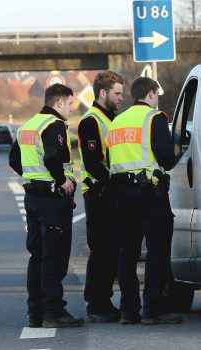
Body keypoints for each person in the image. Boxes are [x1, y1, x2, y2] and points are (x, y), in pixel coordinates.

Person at [9, 83, 84, 328]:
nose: (72, 109)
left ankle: (36, 313)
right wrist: (62, 180)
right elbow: (53, 157)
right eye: (70, 104)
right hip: (52, 200)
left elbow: (13, 159)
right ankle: (54, 312)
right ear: (59, 102)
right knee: (55, 256)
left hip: (33, 197)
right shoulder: (54, 126)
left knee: (38, 255)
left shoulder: (28, 126)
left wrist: (34, 177)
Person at [107, 77, 180, 325]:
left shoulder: (117, 122)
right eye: (156, 94)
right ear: (150, 94)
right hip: (149, 194)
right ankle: (153, 309)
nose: (157, 98)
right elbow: (166, 158)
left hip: (121, 195)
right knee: (157, 251)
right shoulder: (154, 119)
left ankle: (129, 310)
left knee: (127, 254)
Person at [78, 70, 124, 323]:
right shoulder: (91, 121)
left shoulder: (110, 119)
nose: (121, 98)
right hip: (99, 194)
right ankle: (97, 304)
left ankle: (103, 301)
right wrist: (113, 183)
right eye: (117, 93)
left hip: (111, 194)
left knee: (111, 250)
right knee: (102, 251)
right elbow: (93, 162)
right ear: (103, 93)